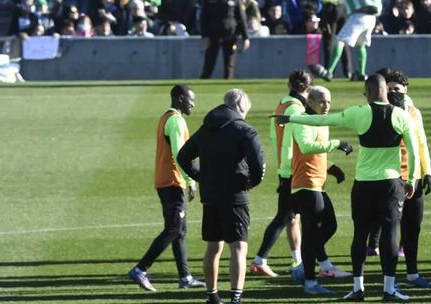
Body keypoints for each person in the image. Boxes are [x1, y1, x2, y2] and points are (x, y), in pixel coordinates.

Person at [277, 74, 417, 302]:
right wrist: (413, 180)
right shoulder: (401, 115)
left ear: (368, 91)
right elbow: (413, 151)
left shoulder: (358, 112)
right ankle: (389, 289)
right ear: (386, 91)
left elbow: (323, 120)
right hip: (391, 183)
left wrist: (292, 120)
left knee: (360, 233)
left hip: (363, 184)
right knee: (390, 234)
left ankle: (358, 288)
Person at [177, 89, 265, 304]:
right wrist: (251, 182)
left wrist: (201, 177)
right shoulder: (245, 130)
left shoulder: (206, 128)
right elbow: (257, 163)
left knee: (213, 246)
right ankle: (236, 298)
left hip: (211, 195)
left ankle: (212, 296)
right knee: (239, 246)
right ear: (241, 107)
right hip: (235, 196)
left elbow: (183, 156)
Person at [127, 85, 205, 292]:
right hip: (172, 181)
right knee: (173, 229)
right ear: (180, 99)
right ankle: (140, 269)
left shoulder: (166, 117)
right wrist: (191, 181)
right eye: (191, 100)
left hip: (166, 180)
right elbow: (182, 155)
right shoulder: (176, 121)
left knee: (180, 231)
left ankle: (185, 276)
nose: (193, 104)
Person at [289, 85, 354, 295]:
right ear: (310, 102)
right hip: (305, 184)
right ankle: (309, 281)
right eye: (322, 102)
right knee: (311, 232)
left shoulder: (320, 121)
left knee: (330, 225)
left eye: (329, 102)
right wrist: (336, 143)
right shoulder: (302, 120)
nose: (326, 106)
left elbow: (317, 152)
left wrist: (331, 168)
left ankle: (303, 268)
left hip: (317, 184)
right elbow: (306, 147)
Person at [379, 68, 431, 289]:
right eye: (390, 88)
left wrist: (427, 172)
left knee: (413, 228)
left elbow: (421, 142)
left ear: (406, 90)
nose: (394, 91)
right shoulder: (381, 112)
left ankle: (412, 274)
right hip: (389, 179)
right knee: (390, 230)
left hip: (412, 178)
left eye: (398, 88)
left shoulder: (414, 112)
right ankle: (389, 280)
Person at [250, 70, 309, 278]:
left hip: (284, 166)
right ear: (308, 89)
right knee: (285, 216)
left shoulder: (282, 105)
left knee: (293, 218)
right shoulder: (297, 109)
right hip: (294, 168)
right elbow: (298, 141)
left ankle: (297, 260)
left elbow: (276, 138)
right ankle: (260, 259)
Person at [199, 0, 250, 79]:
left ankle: (228, 88)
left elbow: (242, 18)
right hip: (213, 35)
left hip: (230, 36)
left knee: (229, 65)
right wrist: (205, 36)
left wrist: (246, 37)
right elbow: (203, 18)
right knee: (209, 65)